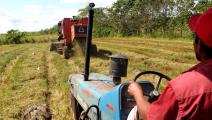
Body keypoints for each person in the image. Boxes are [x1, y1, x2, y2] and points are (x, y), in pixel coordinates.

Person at [128, 8, 212, 120]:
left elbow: (151, 117)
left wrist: (137, 93)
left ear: (200, 45)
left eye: (195, 38)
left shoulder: (181, 89)